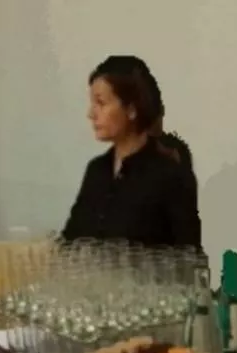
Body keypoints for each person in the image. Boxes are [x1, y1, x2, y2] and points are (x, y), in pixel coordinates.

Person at [61, 56, 201, 248]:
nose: (91, 114)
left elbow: (189, 255)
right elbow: (69, 243)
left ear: (131, 110)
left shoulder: (170, 176)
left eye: (101, 103)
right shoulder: (96, 170)